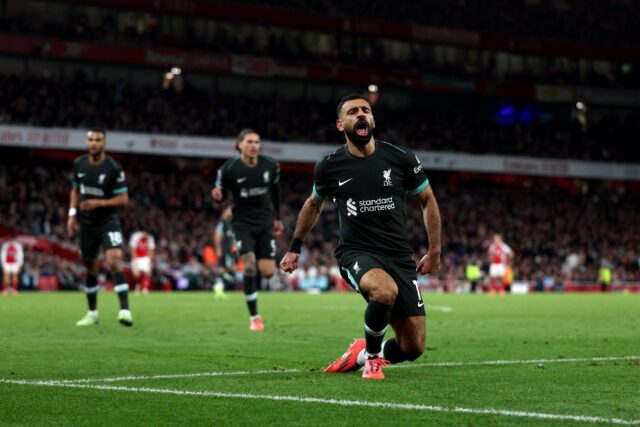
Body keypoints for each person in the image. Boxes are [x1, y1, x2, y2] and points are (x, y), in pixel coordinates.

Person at [280, 94, 441, 380]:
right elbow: (313, 204)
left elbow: (427, 200)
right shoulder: (330, 165)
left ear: (373, 120)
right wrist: (295, 247)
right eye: (353, 112)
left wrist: (435, 251)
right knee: (384, 291)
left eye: (366, 110)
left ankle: (361, 353)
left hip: (399, 256)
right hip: (357, 253)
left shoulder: (401, 158)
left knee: (413, 346)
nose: (361, 114)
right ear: (341, 124)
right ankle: (374, 360)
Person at [212, 129, 283, 331]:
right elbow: (220, 192)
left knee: (268, 272)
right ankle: (254, 317)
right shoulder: (230, 169)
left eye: (257, 142)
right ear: (240, 145)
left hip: (264, 221)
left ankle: (253, 296)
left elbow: (276, 192)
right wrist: (217, 195)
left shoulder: (270, 165)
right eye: (250, 142)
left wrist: (278, 217)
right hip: (241, 222)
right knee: (249, 264)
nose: (254, 145)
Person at [67, 129, 133, 327]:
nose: (93, 143)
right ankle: (92, 313)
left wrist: (98, 203)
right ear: (87, 143)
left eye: (98, 140)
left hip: (108, 221)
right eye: (90, 140)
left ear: (104, 143)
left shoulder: (113, 167)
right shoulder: (79, 164)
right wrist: (71, 214)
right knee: (91, 267)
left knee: (114, 261)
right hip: (86, 223)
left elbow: (123, 199)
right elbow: (75, 189)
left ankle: (124, 311)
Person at [212, 205, 238, 299]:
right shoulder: (222, 222)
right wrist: (218, 249)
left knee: (227, 270)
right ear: (225, 210)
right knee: (226, 269)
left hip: (230, 252)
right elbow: (217, 236)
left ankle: (219, 289)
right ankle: (218, 289)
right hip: (225, 251)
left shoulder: (229, 223)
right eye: (230, 210)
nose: (231, 212)